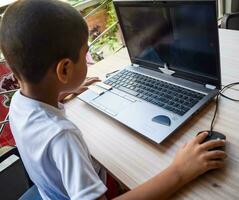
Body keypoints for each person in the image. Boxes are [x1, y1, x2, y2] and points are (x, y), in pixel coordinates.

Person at [0, 0, 226, 200]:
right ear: (65, 70)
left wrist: (58, 91)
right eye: (85, 53)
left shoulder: (20, 104)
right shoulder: (61, 136)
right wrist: (180, 171)